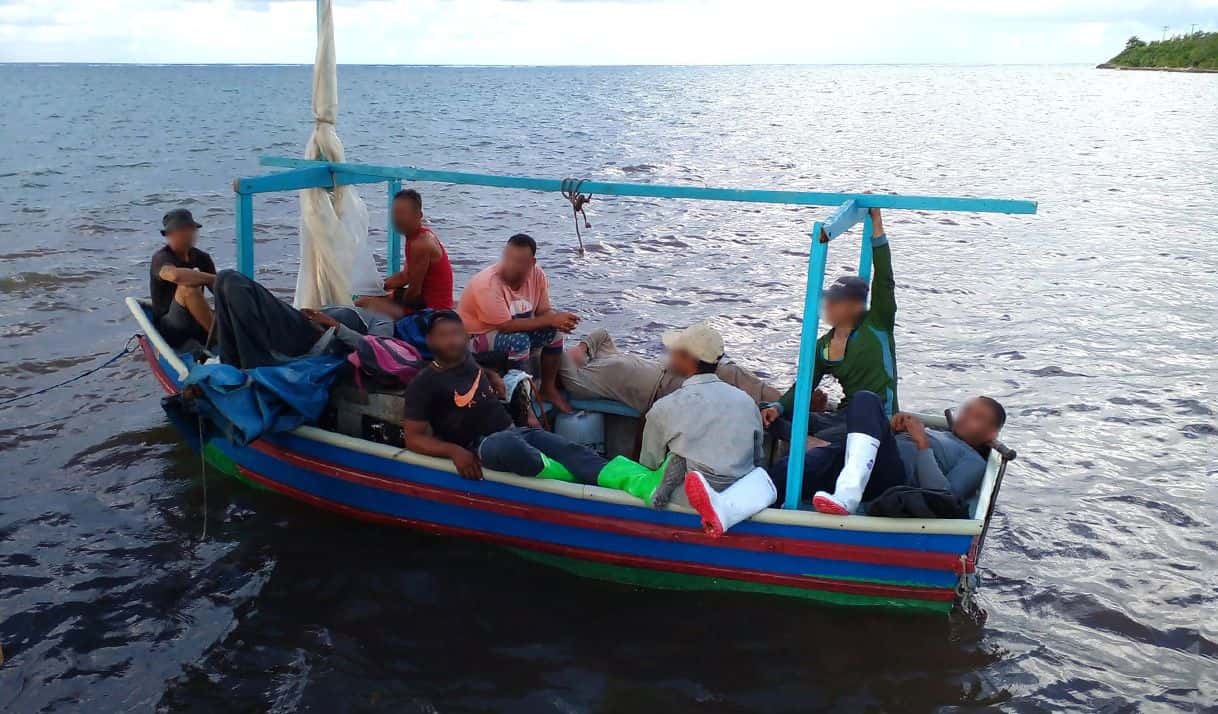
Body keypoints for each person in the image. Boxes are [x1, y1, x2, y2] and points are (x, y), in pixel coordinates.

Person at [402, 310, 609, 484]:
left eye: (456, 334)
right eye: (443, 335)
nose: (451, 341)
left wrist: (493, 377)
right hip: (482, 448)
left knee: (566, 447)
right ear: (430, 341)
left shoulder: (467, 360)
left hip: (514, 433)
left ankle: (627, 479)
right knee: (507, 444)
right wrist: (454, 452)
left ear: (466, 337)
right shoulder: (423, 384)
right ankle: (571, 479)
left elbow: (480, 369)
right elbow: (413, 439)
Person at [761, 206, 897, 445]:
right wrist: (778, 408)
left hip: (877, 420)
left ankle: (816, 445)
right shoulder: (823, 345)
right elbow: (804, 384)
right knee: (768, 414)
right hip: (843, 417)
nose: (829, 307)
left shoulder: (877, 323)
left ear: (856, 306)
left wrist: (876, 221)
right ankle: (811, 443)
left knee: (826, 438)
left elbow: (884, 277)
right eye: (828, 301)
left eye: (836, 302)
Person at [770, 390, 1004, 515]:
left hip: (891, 477)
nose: (965, 418)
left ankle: (848, 490)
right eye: (966, 411)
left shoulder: (973, 460)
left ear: (990, 434)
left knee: (868, 399)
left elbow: (942, 496)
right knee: (795, 467)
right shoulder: (943, 434)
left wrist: (922, 443)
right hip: (860, 461)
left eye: (977, 418)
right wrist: (890, 429)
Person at [638, 323, 776, 535]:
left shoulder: (665, 408)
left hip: (687, 502)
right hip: (739, 493)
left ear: (687, 358)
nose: (669, 354)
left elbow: (648, 466)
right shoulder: (747, 402)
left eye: (674, 350)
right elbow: (757, 458)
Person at [457, 233, 578, 412]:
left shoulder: (537, 275)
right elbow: (505, 326)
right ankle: (524, 406)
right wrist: (551, 319)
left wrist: (558, 321)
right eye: (508, 258)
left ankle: (548, 389)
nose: (511, 266)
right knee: (519, 342)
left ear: (532, 263)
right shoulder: (488, 284)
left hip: (509, 331)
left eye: (519, 262)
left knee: (555, 333)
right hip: (477, 337)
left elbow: (543, 311)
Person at [559, 328, 781, 413]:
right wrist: (560, 350)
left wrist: (582, 347)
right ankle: (794, 406)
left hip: (673, 370)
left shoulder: (600, 355)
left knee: (731, 371)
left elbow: (603, 334)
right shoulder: (584, 381)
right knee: (731, 376)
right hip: (664, 389)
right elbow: (559, 359)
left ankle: (791, 403)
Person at [211, 270, 393, 369]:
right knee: (223, 281)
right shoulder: (354, 308)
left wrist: (334, 325)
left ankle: (253, 364)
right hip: (301, 324)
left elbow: (376, 352)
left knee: (233, 281)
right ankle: (230, 363)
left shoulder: (383, 320)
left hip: (312, 336)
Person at [356, 189, 454, 318]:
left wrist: (386, 299)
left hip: (433, 313)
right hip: (428, 302)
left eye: (403, 213)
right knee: (376, 294)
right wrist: (378, 287)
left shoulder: (420, 244)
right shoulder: (417, 236)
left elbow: (414, 294)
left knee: (362, 303)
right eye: (395, 213)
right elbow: (405, 276)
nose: (397, 218)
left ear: (419, 215)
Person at [149, 208, 216, 348]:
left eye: (192, 229)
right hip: (171, 327)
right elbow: (174, 275)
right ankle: (218, 338)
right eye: (183, 229)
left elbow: (219, 290)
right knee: (188, 288)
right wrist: (213, 279)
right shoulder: (161, 258)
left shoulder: (202, 258)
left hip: (196, 321)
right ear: (170, 234)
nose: (189, 233)